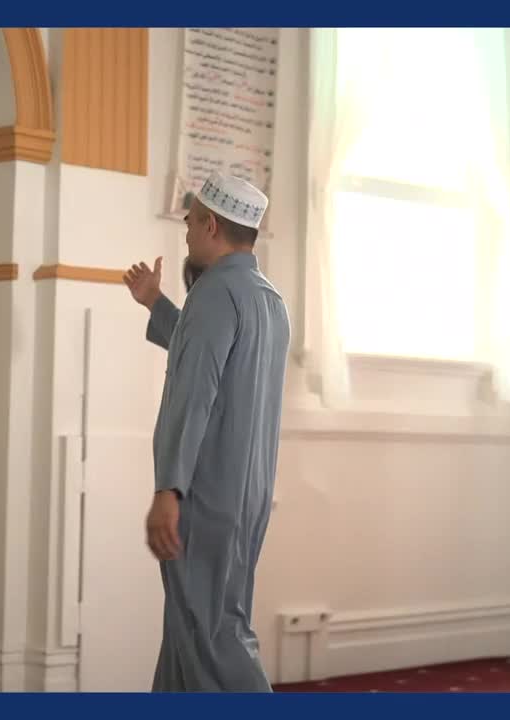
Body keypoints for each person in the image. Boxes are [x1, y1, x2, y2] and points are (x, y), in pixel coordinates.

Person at [122, 172, 291, 692]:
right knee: (189, 632)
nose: (187, 234)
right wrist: (156, 303)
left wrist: (169, 489)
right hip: (244, 495)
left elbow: (193, 395)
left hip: (205, 493)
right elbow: (206, 357)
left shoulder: (215, 294)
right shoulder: (268, 300)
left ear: (211, 225)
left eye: (192, 223)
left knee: (210, 633)